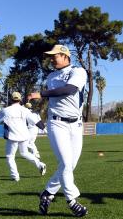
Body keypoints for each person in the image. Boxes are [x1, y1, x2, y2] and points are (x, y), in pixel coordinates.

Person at [27, 44, 88, 216]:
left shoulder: (79, 71)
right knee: (67, 164)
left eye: (56, 55)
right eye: (51, 56)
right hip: (57, 124)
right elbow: (59, 91)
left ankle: (47, 193)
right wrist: (44, 93)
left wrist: (41, 94)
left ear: (65, 56)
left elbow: (70, 90)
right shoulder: (51, 76)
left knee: (69, 165)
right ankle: (72, 201)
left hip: (76, 125)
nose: (52, 58)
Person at [0, 92, 47, 181]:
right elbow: (36, 121)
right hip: (24, 135)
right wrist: (46, 130)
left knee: (10, 156)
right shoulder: (25, 110)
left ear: (11, 99)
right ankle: (40, 165)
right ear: (20, 99)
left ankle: (15, 176)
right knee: (24, 153)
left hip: (13, 136)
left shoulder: (5, 110)